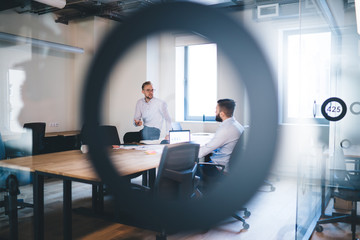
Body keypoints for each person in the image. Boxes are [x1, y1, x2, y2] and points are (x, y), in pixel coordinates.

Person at [198, 99, 245, 172]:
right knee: (207, 155)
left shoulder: (225, 129)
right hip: (228, 164)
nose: (215, 112)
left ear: (222, 114)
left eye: (216, 111)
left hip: (219, 168)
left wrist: (187, 155)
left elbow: (202, 152)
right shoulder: (237, 125)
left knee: (191, 168)